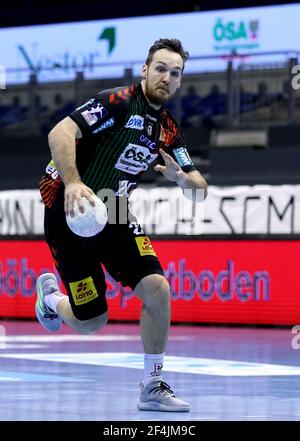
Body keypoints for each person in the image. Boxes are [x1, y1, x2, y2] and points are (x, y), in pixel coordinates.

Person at [35, 38, 208, 412]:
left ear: (179, 82)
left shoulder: (169, 131)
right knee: (91, 320)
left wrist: (183, 181)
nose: (166, 77)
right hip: (71, 212)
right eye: (160, 68)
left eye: (174, 73)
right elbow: (59, 133)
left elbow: (199, 190)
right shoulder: (116, 103)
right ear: (145, 70)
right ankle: (51, 302)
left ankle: (152, 384)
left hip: (115, 211)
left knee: (158, 289)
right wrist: (76, 181)